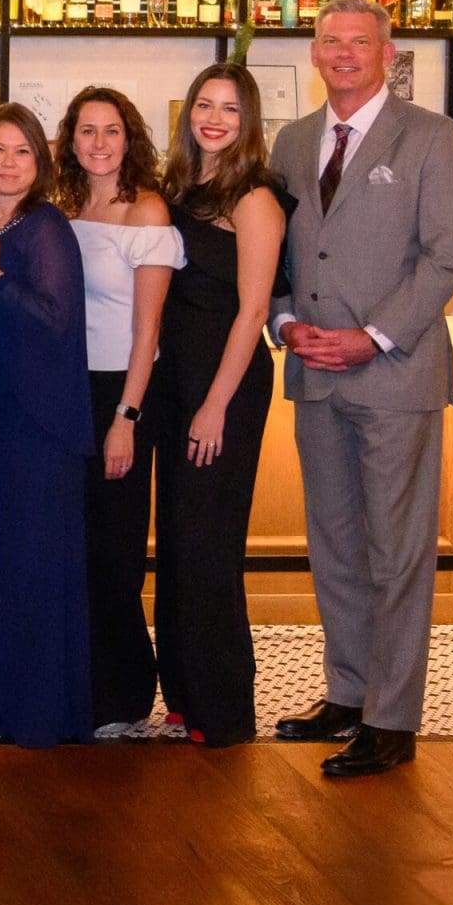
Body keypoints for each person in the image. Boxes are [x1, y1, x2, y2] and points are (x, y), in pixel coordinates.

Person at [269, 0, 453, 777]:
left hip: (394, 375)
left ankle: (392, 718)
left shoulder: (432, 138)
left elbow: (447, 257)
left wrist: (373, 337)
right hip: (314, 375)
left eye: (361, 42)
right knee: (336, 548)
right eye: (331, 42)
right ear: (315, 54)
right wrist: (285, 326)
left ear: (388, 53)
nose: (345, 53)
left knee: (397, 552)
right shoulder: (291, 141)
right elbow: (278, 256)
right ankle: (348, 694)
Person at [0, 103, 94, 748]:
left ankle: (34, 711)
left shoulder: (47, 226)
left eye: (22, 152)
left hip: (37, 423)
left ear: (41, 163)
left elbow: (55, 320)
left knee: (33, 564)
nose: (8, 163)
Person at [153, 63, 290, 750]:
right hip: (175, 381)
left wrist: (213, 406)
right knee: (177, 541)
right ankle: (182, 697)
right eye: (204, 105)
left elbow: (255, 309)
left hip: (224, 387)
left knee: (209, 546)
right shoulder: (181, 187)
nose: (214, 119)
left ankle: (224, 709)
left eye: (230, 110)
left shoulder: (255, 197)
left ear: (249, 122)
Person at [52, 88, 184, 736]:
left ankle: (127, 692)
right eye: (86, 131)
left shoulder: (147, 211)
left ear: (129, 138)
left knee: (115, 549)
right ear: (70, 140)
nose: (98, 143)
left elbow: (147, 331)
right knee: (70, 546)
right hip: (65, 390)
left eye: (110, 131)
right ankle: (78, 680)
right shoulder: (64, 204)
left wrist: (125, 418)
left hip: (121, 394)